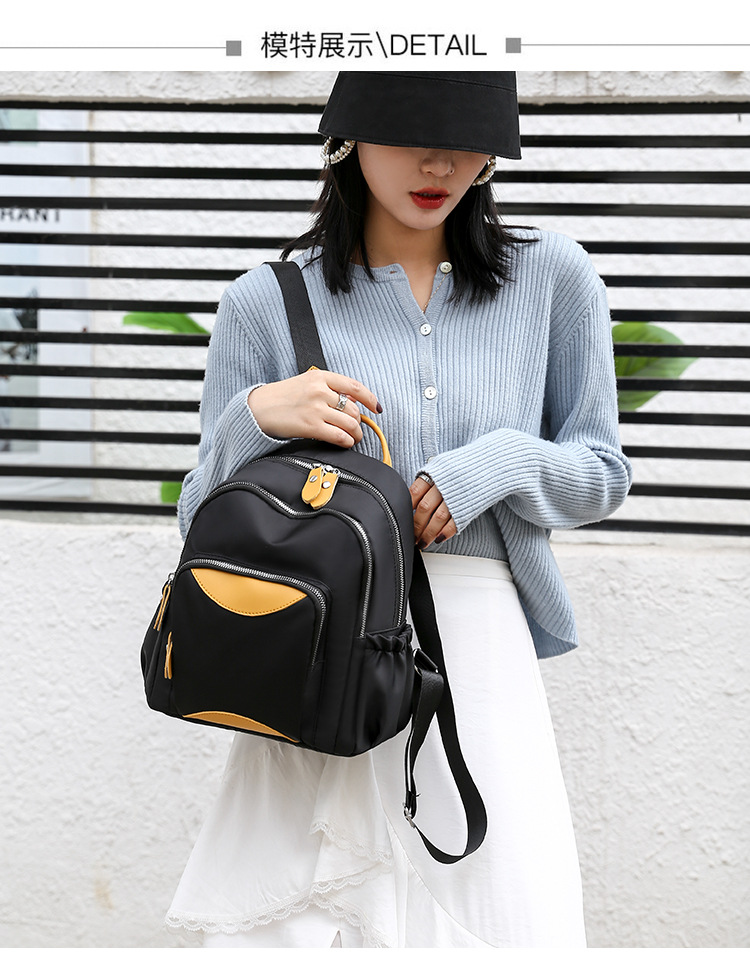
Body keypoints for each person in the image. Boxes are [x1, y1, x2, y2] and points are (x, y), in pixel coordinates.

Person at [164, 72, 632, 948]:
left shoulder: (552, 277)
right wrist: (255, 417)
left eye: (466, 140)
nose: (440, 163)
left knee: (499, 904)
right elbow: (199, 521)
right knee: (314, 920)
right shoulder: (265, 301)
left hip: (479, 643)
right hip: (318, 648)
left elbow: (601, 472)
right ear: (347, 140)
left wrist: (496, 465)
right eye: (411, 135)